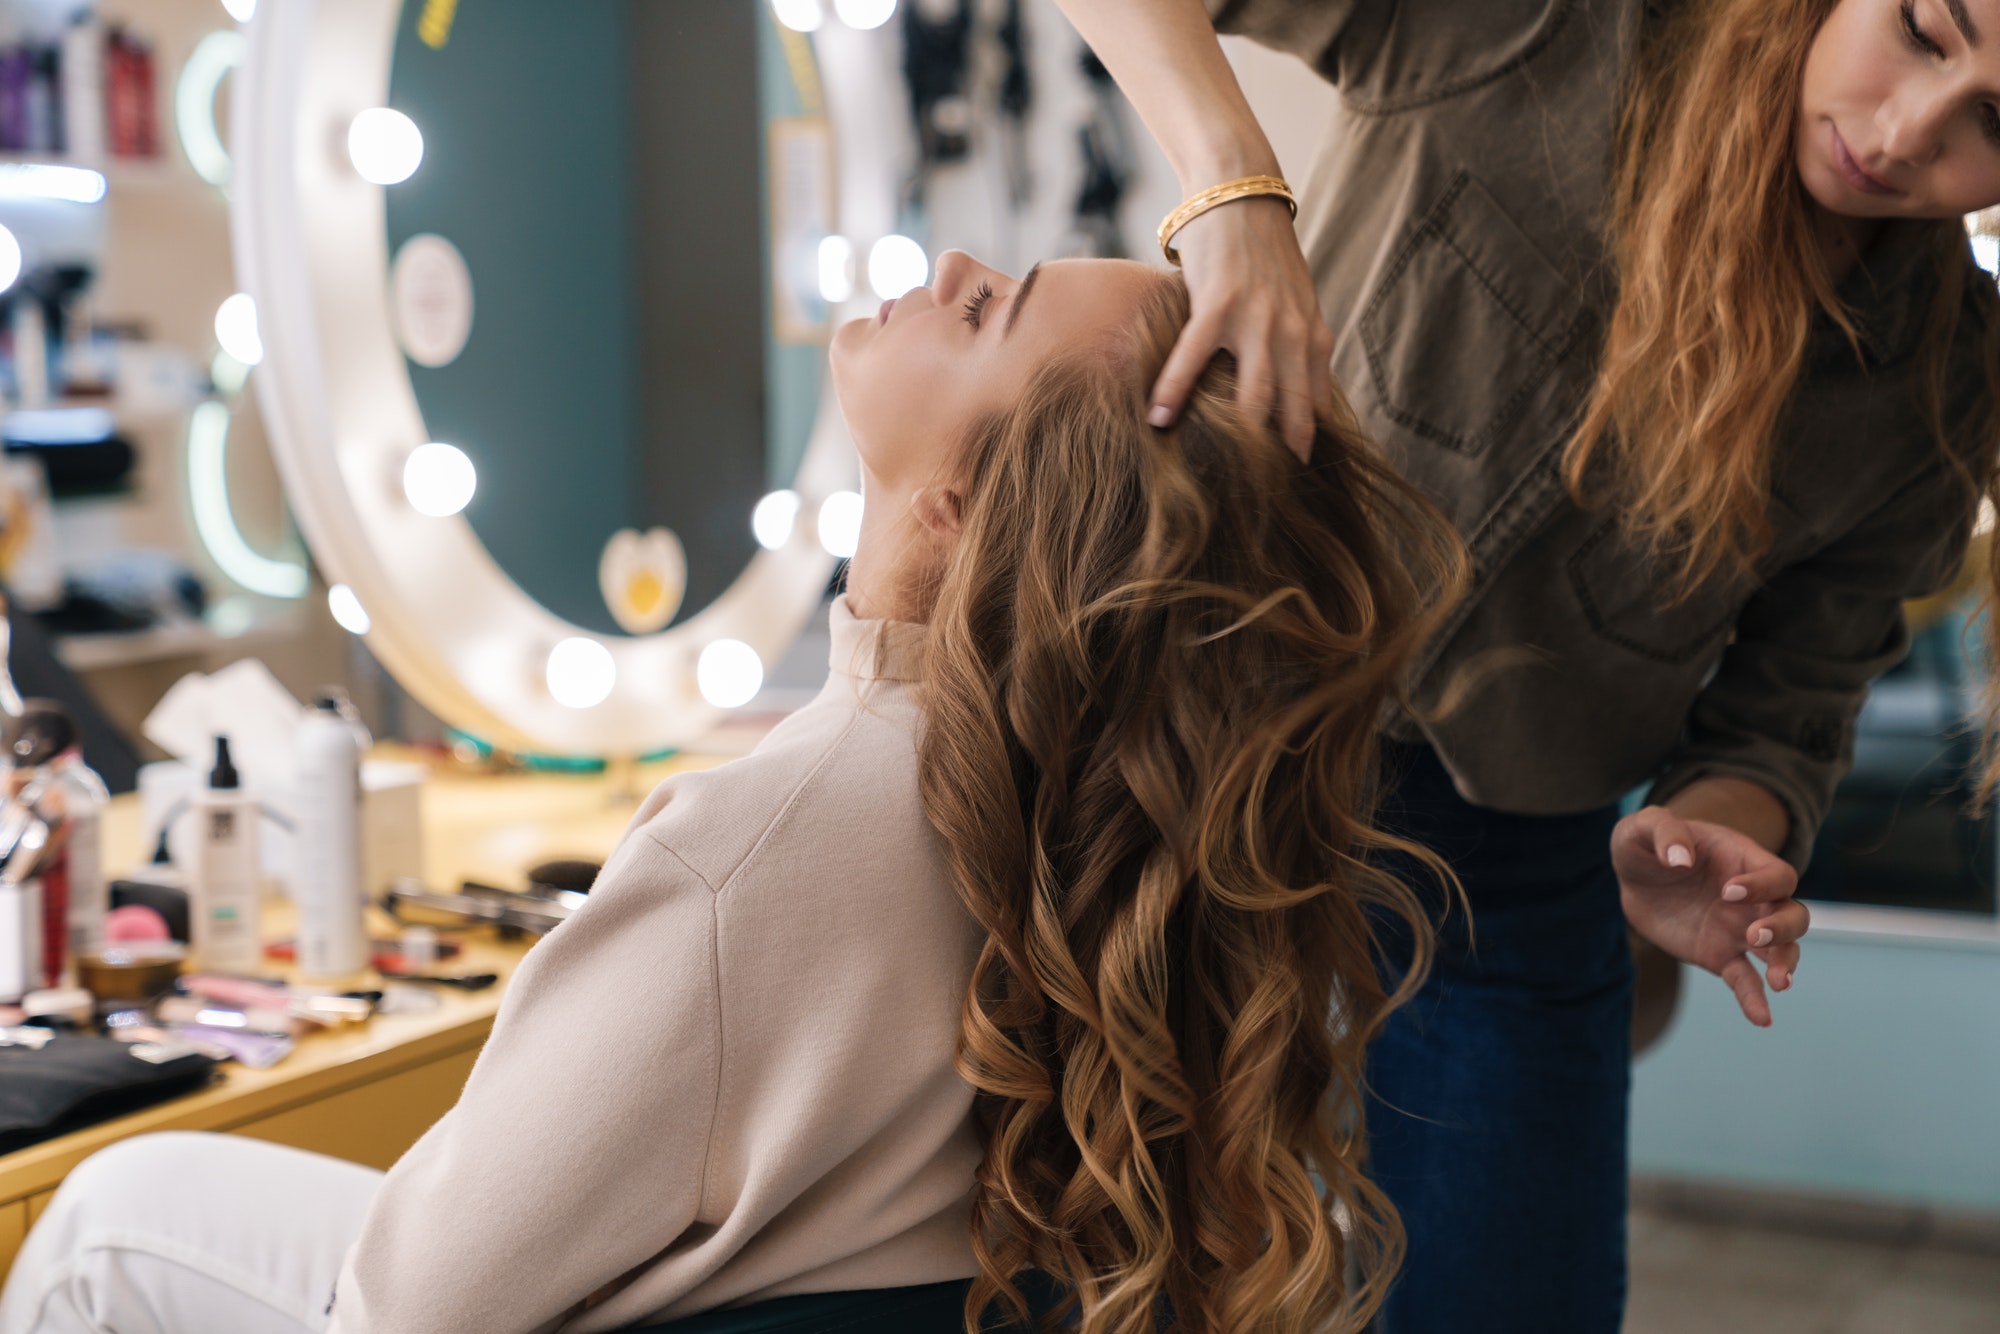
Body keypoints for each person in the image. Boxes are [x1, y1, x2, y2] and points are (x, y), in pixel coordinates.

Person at [0, 252, 1463, 1334]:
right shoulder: (1062, 786)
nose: (954, 262)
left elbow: (405, 1310)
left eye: (986, 310)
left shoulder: (764, 845)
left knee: (106, 1220)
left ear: (962, 508)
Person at [1047, 0, 2000, 1327]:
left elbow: (1793, 700)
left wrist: (1714, 828)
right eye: (1922, 32)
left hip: (1511, 873)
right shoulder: (1544, 24)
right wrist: (1232, 189)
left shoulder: (1947, 378)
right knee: (1106, 1275)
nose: (1905, 135)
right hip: (1189, 759)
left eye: (1991, 125)